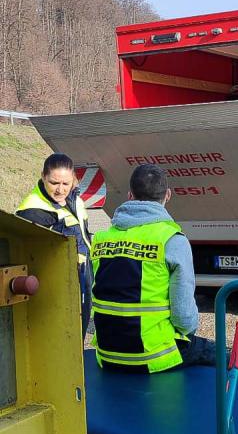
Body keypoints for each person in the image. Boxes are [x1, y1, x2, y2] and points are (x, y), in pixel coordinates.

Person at [90, 164, 215, 373]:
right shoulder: (171, 240)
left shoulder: (102, 239)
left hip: (108, 354)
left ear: (130, 195)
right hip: (154, 355)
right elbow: (184, 319)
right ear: (168, 195)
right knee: (229, 359)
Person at [16, 153, 92, 340]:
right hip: (57, 283)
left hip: (81, 276)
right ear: (43, 176)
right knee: (62, 340)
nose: (60, 190)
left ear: (74, 179)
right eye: (54, 183)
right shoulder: (32, 210)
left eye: (66, 184)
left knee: (77, 339)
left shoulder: (75, 200)